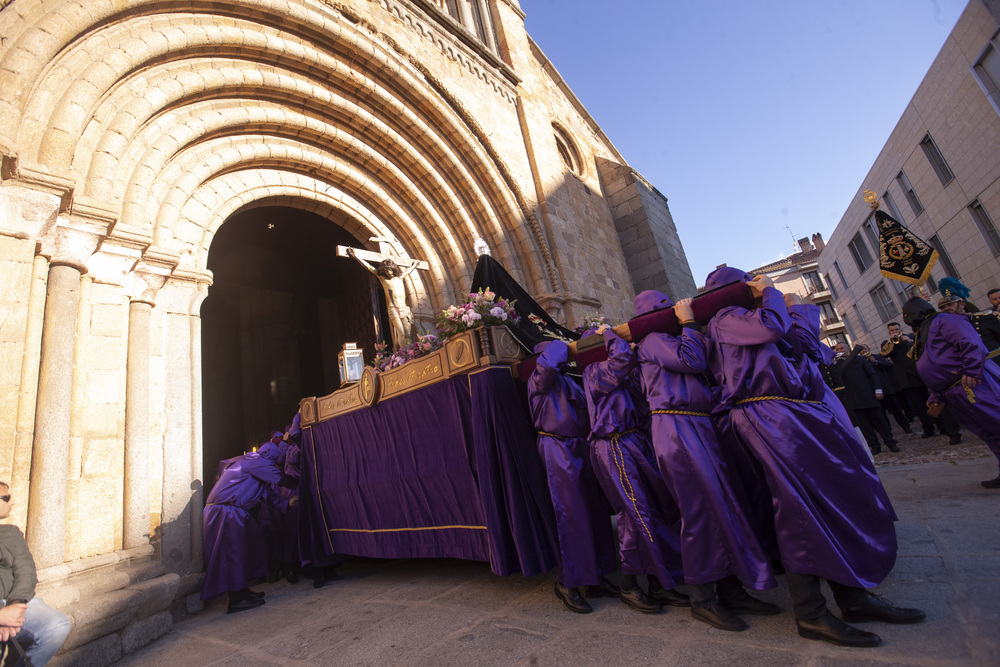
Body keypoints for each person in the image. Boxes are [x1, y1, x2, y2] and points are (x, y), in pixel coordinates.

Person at [704, 266, 924, 648]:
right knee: (799, 511)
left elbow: (804, 345)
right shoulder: (725, 320)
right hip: (766, 415)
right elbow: (772, 330)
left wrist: (797, 306)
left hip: (794, 414)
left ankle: (853, 598)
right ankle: (811, 613)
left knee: (830, 504)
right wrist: (772, 293)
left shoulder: (759, 316)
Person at [633, 290, 777, 633]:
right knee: (698, 509)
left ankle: (731, 589)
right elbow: (692, 361)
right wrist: (690, 324)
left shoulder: (673, 336)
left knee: (722, 505)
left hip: (699, 423)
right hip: (675, 426)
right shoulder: (652, 340)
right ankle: (703, 598)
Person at [583, 322, 688, 614]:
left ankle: (660, 584)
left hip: (635, 442)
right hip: (613, 445)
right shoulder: (593, 372)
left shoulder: (620, 374)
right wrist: (606, 332)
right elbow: (620, 360)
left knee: (655, 511)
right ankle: (629, 586)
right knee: (633, 515)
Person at [528, 340, 618, 614]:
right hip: (558, 448)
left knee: (595, 511)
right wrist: (563, 345)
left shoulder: (571, 381)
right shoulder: (538, 378)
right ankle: (568, 582)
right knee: (572, 516)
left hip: (581, 446)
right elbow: (550, 362)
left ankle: (595, 576)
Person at [903, 297, 1000, 488]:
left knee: (996, 421)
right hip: (952, 392)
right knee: (987, 431)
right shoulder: (922, 331)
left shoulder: (944, 320)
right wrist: (936, 394)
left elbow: (970, 342)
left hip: (970, 384)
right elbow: (932, 361)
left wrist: (972, 369)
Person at [202, 449, 292, 613]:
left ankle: (242, 590)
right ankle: (236, 599)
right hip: (225, 511)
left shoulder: (255, 469)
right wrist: (302, 482)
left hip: (232, 511)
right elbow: (279, 478)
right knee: (233, 554)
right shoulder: (253, 460)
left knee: (244, 551)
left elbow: (267, 495)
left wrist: (287, 503)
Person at [0, 482, 71, 666]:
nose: (12, 502)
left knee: (56, 624)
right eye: (7, 498)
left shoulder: (11, 534)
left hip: (12, 601)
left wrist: (16, 606)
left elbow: (26, 571)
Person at [881, 322, 962, 443]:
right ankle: (928, 428)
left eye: (896, 329)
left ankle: (942, 425)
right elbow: (884, 354)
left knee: (934, 402)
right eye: (892, 330)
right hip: (907, 379)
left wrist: (908, 341)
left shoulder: (911, 338)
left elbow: (920, 350)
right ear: (889, 332)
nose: (895, 332)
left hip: (921, 375)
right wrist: (893, 342)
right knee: (919, 407)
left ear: (901, 329)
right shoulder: (887, 344)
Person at [831, 343, 899, 454]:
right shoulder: (836, 365)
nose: (840, 350)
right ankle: (874, 445)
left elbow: (872, 375)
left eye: (842, 348)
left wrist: (878, 389)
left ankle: (890, 442)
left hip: (868, 395)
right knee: (865, 425)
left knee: (880, 422)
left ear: (848, 348)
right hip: (853, 398)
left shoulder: (861, 360)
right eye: (837, 349)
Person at [347, 247, 420, 349]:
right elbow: (369, 267)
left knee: (408, 334)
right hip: (393, 309)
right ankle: (405, 353)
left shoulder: (399, 277)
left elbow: (409, 270)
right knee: (401, 333)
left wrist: (415, 264)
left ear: (393, 269)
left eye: (390, 270)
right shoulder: (383, 279)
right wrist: (355, 256)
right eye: (386, 270)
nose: (389, 272)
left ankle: (412, 352)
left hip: (404, 308)